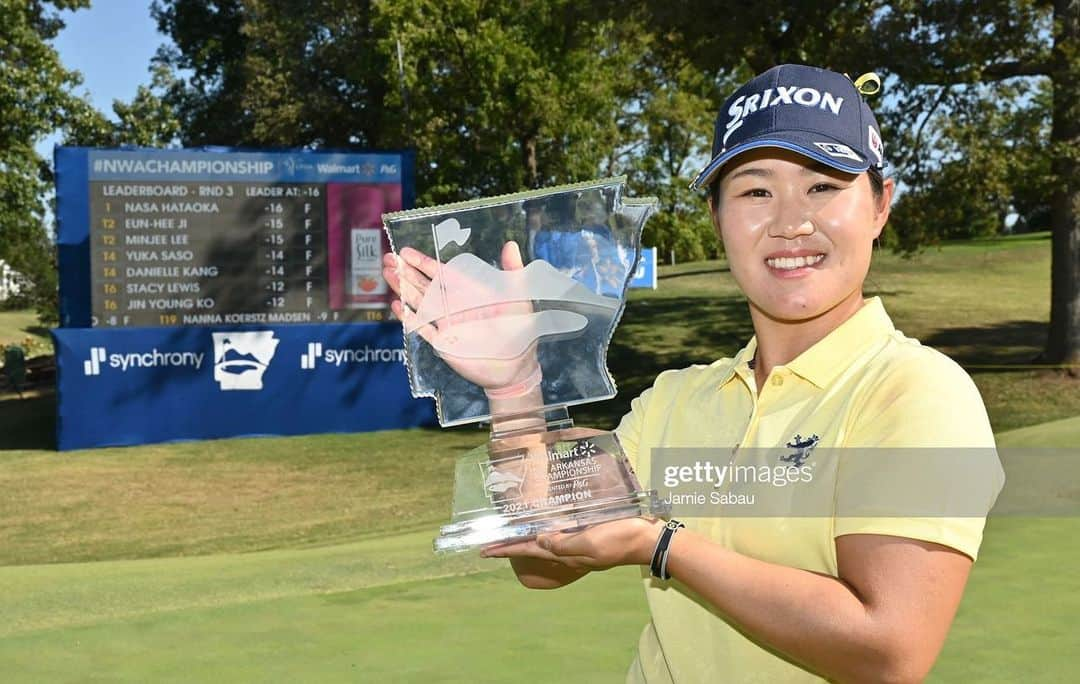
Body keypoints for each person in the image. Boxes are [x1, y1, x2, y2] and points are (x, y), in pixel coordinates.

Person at [383, 64, 1005, 683]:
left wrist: (662, 545)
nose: (790, 221)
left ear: (879, 206)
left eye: (823, 186)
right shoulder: (676, 401)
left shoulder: (917, 391)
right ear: (716, 216)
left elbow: (888, 650)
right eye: (755, 191)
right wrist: (515, 386)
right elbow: (544, 560)